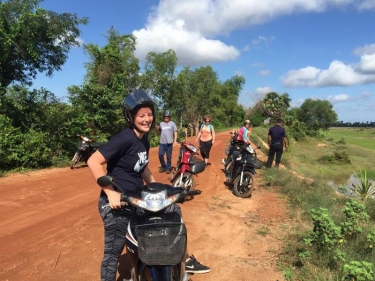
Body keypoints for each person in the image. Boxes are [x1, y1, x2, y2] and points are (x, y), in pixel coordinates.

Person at [87, 90, 210, 281]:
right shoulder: (124, 138)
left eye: (150, 114)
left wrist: (156, 186)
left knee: (172, 210)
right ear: (130, 116)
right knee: (113, 252)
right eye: (141, 115)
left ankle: (181, 258)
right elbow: (94, 162)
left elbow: (142, 167)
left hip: (137, 197)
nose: (147, 119)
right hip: (117, 203)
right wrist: (110, 192)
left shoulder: (144, 138)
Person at [155, 110, 178, 174]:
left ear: (169, 117)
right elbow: (158, 133)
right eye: (165, 116)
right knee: (160, 155)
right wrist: (157, 129)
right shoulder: (161, 124)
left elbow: (175, 132)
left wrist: (175, 140)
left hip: (169, 143)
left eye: (167, 116)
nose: (166, 117)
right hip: (162, 143)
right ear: (163, 117)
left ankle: (168, 168)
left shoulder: (172, 123)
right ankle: (163, 166)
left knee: (168, 156)